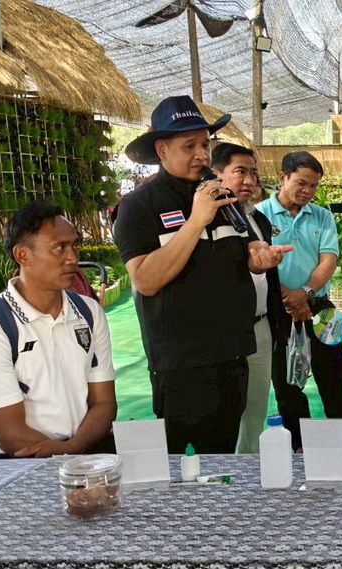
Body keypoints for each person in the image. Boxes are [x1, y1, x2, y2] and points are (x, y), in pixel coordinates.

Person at [114, 96, 289, 454]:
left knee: (222, 459)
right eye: (189, 146)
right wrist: (196, 220)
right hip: (181, 365)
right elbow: (145, 280)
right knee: (179, 464)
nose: (201, 155)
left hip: (232, 355)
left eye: (205, 145)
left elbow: (241, 255)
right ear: (161, 149)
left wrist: (257, 258)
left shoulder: (222, 198)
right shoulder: (137, 206)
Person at [0, 202, 117, 458]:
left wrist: (72, 449)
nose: (73, 258)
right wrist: (71, 455)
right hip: (15, 462)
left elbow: (104, 403)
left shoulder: (89, 312)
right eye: (59, 248)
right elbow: (10, 435)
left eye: (75, 246)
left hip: (83, 452)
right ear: (22, 255)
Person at [257, 152, 342, 452]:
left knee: (334, 379)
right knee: (287, 383)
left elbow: (328, 260)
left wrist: (306, 293)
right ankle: (299, 446)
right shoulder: (259, 215)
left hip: (319, 308)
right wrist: (288, 297)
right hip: (278, 310)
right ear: (283, 177)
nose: (307, 191)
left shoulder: (322, 216)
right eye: (301, 183)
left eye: (313, 185)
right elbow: (258, 264)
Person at [211, 144, 289, 454]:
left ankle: (249, 467)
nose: (249, 181)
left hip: (260, 326)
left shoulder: (258, 219)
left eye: (253, 174)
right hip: (223, 331)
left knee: (256, 408)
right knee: (225, 411)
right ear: (217, 174)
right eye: (240, 172)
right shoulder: (207, 219)